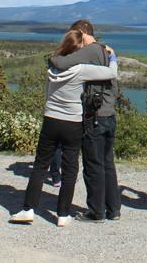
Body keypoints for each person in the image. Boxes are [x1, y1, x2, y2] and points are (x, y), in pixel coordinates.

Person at [10, 30, 117, 226]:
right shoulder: (81, 69)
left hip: (50, 119)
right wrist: (112, 55)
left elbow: (47, 93)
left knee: (40, 166)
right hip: (72, 122)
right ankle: (62, 214)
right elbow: (112, 72)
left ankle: (28, 209)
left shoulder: (52, 68)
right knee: (70, 169)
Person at [48, 19, 121, 223]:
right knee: (107, 163)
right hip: (108, 114)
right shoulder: (106, 52)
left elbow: (60, 63)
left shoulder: (91, 50)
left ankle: (96, 211)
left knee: (92, 164)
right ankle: (113, 208)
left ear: (81, 32)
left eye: (75, 34)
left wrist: (55, 54)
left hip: (94, 116)